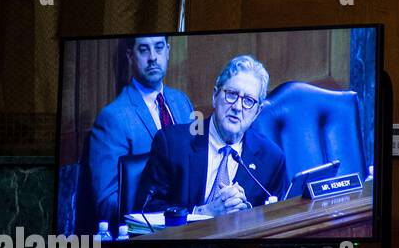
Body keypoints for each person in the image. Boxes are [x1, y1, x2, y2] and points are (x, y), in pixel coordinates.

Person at [141, 54, 287, 216]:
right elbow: (145, 210)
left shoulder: (271, 158)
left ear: (257, 112)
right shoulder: (172, 144)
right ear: (215, 96)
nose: (238, 107)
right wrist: (202, 213)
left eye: (248, 101)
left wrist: (247, 216)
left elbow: (276, 218)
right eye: (231, 94)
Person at [77, 36, 194, 233]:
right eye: (144, 50)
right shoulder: (112, 118)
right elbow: (107, 203)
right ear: (130, 56)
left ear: (168, 51)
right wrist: (173, 212)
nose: (153, 58)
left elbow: (197, 166)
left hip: (191, 226)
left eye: (158, 48)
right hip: (146, 236)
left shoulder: (183, 102)